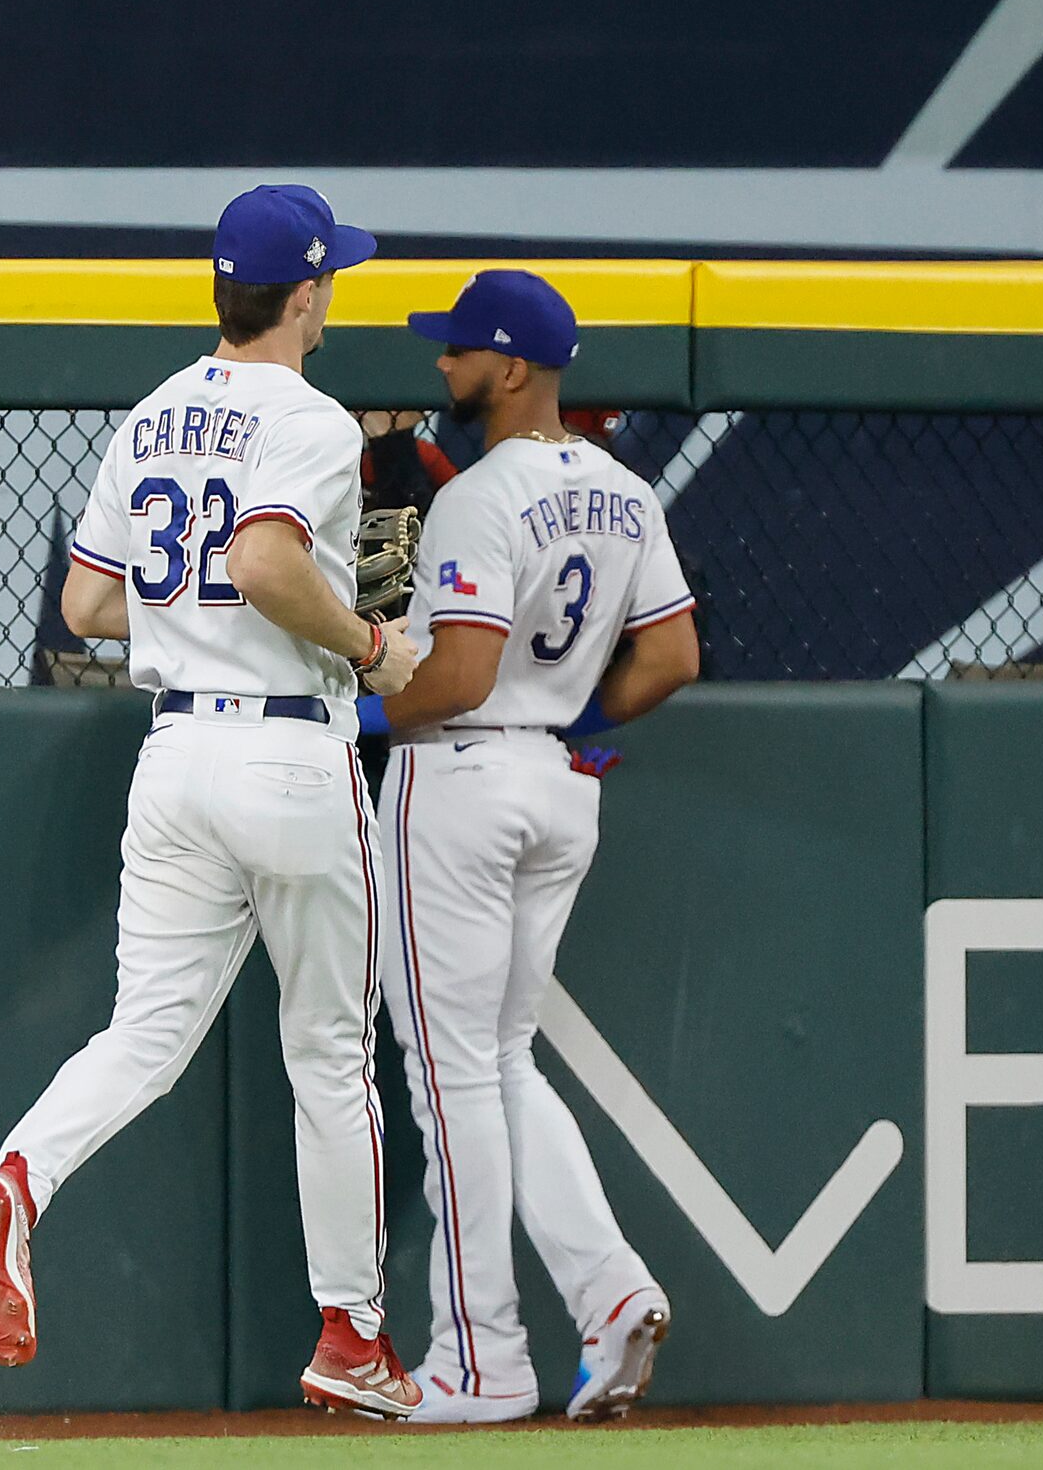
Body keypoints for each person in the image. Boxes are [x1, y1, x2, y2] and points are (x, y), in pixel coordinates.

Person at [0, 184, 427, 1419]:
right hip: (288, 755)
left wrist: (205, 613)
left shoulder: (153, 415)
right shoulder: (314, 419)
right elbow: (267, 562)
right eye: (336, 277)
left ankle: (19, 1173)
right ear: (309, 290)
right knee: (330, 1054)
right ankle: (350, 1337)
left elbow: (89, 608)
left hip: (172, 762)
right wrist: (369, 645)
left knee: (143, 1039)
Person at [371, 269, 701, 1423]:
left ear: (512, 367)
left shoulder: (480, 496)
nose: (442, 365)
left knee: (450, 1071)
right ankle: (610, 1295)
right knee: (503, 1060)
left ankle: (481, 1360)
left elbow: (455, 676)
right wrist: (558, 716)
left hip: (460, 782)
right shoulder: (626, 491)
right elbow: (669, 660)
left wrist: (351, 715)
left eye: (459, 351)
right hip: (558, 784)